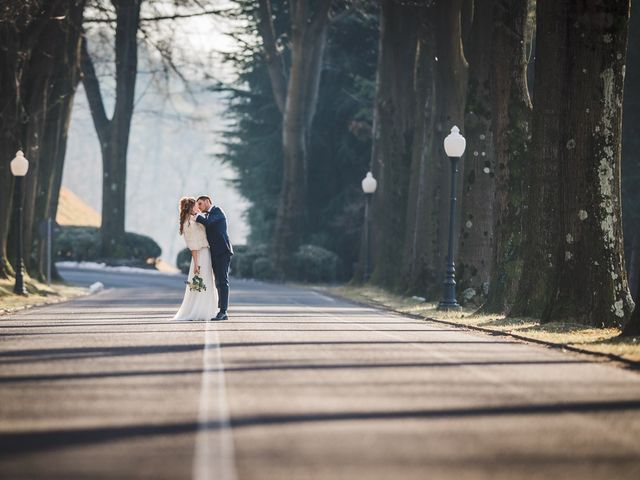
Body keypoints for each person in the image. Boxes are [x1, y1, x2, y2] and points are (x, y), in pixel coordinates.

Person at [173, 197, 217, 321]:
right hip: (200, 256)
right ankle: (200, 311)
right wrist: (196, 264)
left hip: (205, 253)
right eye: (196, 205)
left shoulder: (195, 218)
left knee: (208, 281)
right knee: (201, 282)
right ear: (191, 207)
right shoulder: (188, 223)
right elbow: (193, 246)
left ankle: (209, 309)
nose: (198, 206)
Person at [195, 195, 233, 321]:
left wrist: (196, 216)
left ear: (207, 201)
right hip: (215, 253)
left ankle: (223, 311)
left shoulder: (218, 211)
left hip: (223, 252)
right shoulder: (208, 215)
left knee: (223, 281)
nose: (199, 207)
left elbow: (210, 224)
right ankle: (220, 310)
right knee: (218, 282)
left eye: (200, 204)